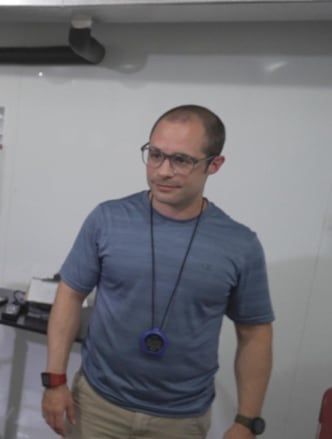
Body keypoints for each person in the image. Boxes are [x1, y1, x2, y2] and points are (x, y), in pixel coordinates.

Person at [41, 104, 273, 439]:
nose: (162, 171)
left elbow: (255, 334)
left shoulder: (240, 245)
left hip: (181, 420)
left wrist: (247, 420)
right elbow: (70, 293)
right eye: (155, 155)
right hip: (96, 406)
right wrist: (55, 380)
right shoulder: (107, 220)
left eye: (181, 160)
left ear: (215, 164)